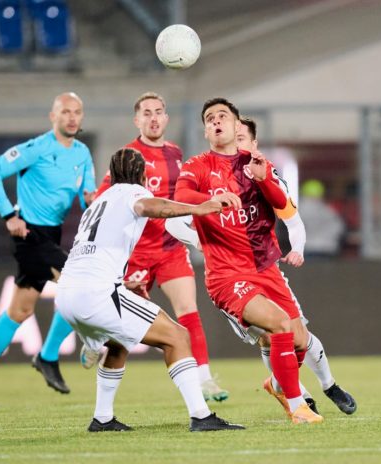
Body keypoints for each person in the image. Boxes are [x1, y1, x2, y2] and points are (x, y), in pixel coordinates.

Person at [35, 92, 229, 401]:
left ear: (166, 118)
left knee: (188, 309)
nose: (153, 118)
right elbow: (105, 198)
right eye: (147, 113)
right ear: (137, 120)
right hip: (136, 252)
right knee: (121, 326)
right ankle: (94, 341)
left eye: (158, 112)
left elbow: (179, 196)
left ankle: (204, 379)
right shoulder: (128, 158)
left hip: (169, 247)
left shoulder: (176, 154)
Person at [168, 117, 356, 415]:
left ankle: (320, 384)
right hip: (230, 276)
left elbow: (291, 217)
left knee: (299, 338)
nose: (235, 146)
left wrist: (297, 248)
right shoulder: (210, 178)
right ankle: (296, 399)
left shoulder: (264, 174)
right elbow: (174, 219)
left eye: (241, 139)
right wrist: (199, 240)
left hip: (266, 268)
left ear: (253, 144)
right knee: (271, 333)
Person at [55, 147, 244, 432]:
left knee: (118, 343)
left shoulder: (98, 203)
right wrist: (198, 208)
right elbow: (145, 207)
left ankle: (102, 418)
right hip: (97, 295)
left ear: (111, 175)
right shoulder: (133, 193)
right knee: (178, 336)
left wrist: (124, 284)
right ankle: (201, 416)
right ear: (143, 175)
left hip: (67, 294)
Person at [0, 92, 96, 406]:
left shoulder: (82, 153)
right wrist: (9, 216)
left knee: (20, 310)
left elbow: (85, 194)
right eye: (65, 112)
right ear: (53, 116)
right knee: (78, 285)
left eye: (77, 112)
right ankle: (48, 356)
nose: (72, 117)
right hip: (29, 235)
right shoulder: (37, 148)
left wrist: (90, 198)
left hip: (51, 235)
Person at [297, 179, 345, 257]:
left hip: (309, 247)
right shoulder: (328, 210)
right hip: (329, 247)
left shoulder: (299, 210)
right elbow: (339, 227)